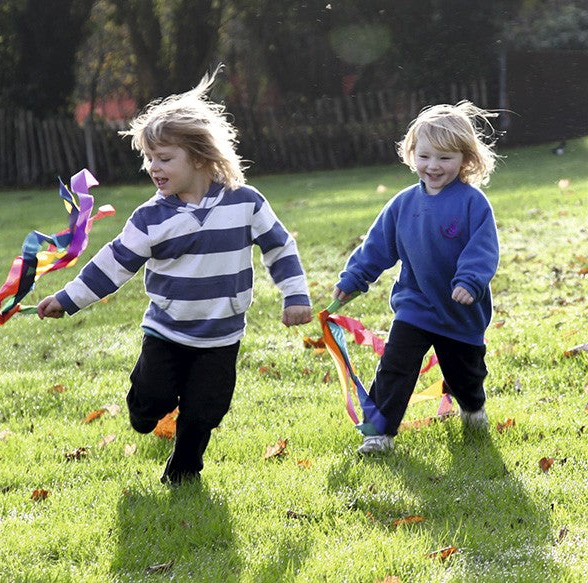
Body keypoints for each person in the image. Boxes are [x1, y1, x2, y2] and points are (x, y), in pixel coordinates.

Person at [37, 66, 312, 483]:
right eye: (149, 159)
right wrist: (67, 299)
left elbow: (279, 246)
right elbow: (114, 264)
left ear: (200, 158)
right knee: (151, 404)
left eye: (164, 158)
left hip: (222, 334)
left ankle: (184, 470)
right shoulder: (151, 217)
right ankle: (144, 403)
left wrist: (295, 296)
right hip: (167, 330)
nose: (153, 167)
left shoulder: (245, 203)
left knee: (207, 410)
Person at [333, 101, 500, 454]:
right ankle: (379, 433)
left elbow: (482, 249)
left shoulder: (473, 203)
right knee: (395, 366)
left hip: (460, 312)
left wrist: (468, 281)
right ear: (411, 154)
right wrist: (353, 280)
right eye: (425, 156)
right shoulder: (402, 204)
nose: (433, 166)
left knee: (465, 376)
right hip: (416, 305)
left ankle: (472, 408)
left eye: (445, 158)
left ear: (465, 159)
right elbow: (376, 247)